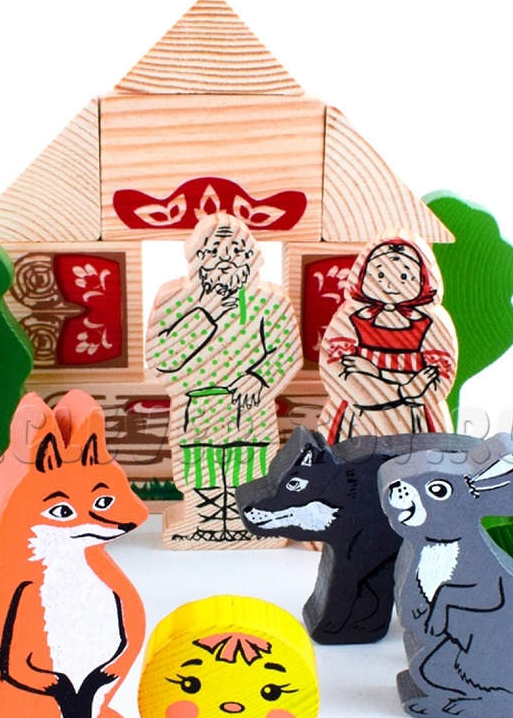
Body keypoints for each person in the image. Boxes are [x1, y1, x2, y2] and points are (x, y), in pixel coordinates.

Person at [147, 213, 301, 546]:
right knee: (199, 467)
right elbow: (161, 359)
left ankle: (247, 523)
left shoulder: (271, 302)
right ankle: (203, 524)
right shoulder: (174, 301)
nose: (225, 259)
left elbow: (287, 352)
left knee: (250, 466)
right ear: (196, 258)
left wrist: (259, 378)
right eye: (214, 251)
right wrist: (206, 313)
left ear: (253, 257)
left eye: (236, 250)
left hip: (251, 408)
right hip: (197, 407)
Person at [319, 236, 456, 441]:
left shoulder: (433, 325)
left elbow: (439, 383)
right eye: (380, 275)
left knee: (411, 458)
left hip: (411, 421)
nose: (390, 283)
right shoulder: (349, 319)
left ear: (422, 280)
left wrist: (375, 374)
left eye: (404, 276)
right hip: (358, 418)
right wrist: (405, 389)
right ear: (363, 276)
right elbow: (336, 375)